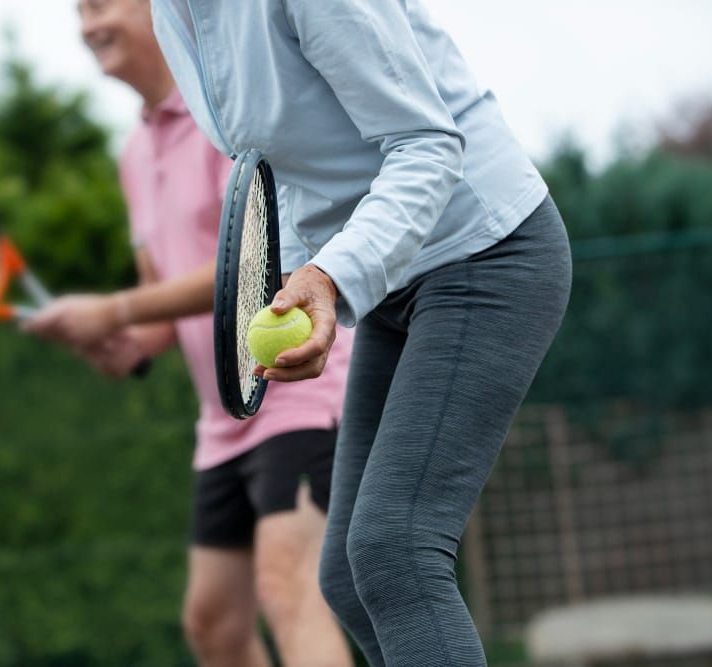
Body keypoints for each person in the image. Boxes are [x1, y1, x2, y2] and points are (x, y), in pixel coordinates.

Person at [32, 0, 572, 665]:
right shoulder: (179, 16)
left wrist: (331, 276)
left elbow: (428, 146)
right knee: (347, 575)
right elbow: (277, 177)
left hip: (485, 248)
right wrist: (289, 283)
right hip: (395, 284)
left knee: (393, 549)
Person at [28, 1, 355, 665]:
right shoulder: (132, 153)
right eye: (79, 11)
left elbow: (258, 263)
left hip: (296, 389)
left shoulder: (227, 111)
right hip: (221, 423)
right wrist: (125, 341)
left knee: (289, 590)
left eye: (100, 5)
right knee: (213, 622)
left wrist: (115, 308)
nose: (87, 26)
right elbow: (164, 303)